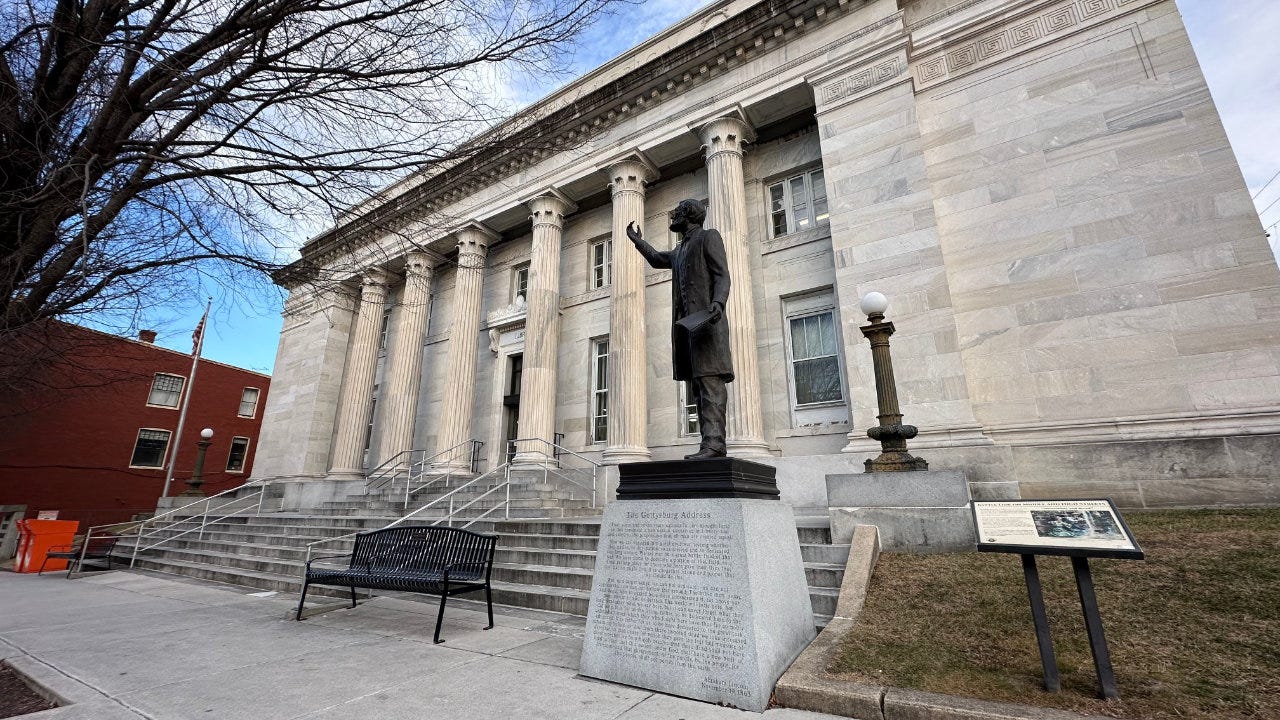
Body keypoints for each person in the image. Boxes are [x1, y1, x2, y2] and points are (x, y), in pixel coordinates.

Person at [626, 199, 733, 459]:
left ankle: (715, 444)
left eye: (678, 211)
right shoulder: (680, 250)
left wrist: (718, 302)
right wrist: (638, 242)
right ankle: (708, 443)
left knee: (711, 386)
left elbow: (722, 275)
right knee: (698, 388)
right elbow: (656, 259)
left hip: (708, 325)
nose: (673, 215)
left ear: (688, 215)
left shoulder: (709, 237)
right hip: (689, 330)